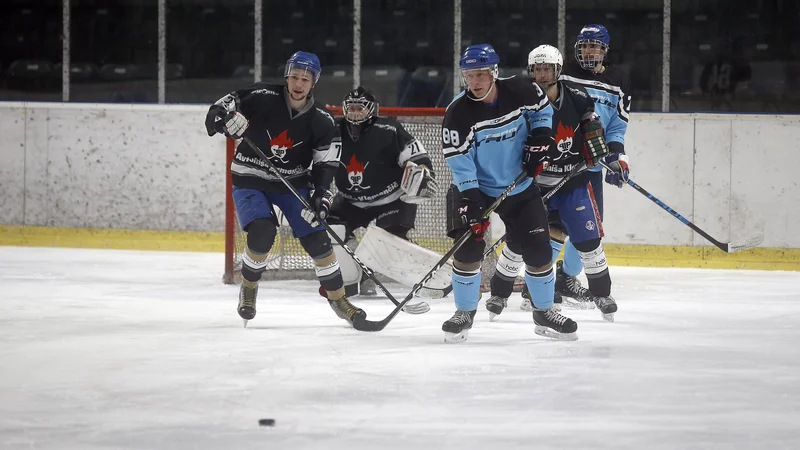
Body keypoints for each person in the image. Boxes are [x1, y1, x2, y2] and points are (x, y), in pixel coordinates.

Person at [440, 43, 597, 343]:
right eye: (469, 75)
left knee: (539, 250)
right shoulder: (457, 113)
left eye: (481, 74)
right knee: (468, 249)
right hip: (476, 189)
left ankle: (544, 312)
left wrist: (540, 139)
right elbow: (460, 164)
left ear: (494, 73)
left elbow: (541, 115)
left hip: (520, 185)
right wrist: (471, 202)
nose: (475, 81)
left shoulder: (522, 90)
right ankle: (464, 312)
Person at [204, 51, 365, 327]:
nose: (298, 84)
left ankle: (339, 300)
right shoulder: (260, 95)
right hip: (250, 176)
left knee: (318, 240)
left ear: (314, 82)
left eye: (305, 78)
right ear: (286, 77)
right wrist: (223, 120)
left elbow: (326, 166)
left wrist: (321, 197)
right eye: (294, 77)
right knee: (262, 231)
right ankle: (249, 289)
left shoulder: (322, 120)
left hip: (292, 183)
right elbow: (214, 115)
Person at [484, 45, 618, 322]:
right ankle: (499, 292)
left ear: (558, 70)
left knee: (588, 239)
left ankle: (602, 293)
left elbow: (592, 127)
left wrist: (595, 145)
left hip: (572, 182)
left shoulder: (579, 99)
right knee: (519, 242)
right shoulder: (522, 103)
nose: (542, 74)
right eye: (537, 69)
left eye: (547, 68)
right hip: (533, 187)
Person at [539, 24, 631, 308]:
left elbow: (616, 125)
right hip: (560, 163)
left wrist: (617, 156)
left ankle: (564, 279)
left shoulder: (618, 81)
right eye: (585, 46)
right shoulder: (563, 75)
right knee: (554, 223)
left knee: (589, 228)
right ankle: (545, 282)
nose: (590, 51)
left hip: (591, 166)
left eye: (595, 46)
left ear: (605, 50)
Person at [326, 86, 438, 296]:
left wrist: (421, 172)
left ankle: (376, 271)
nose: (355, 113)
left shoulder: (390, 130)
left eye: (360, 108)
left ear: (372, 110)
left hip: (392, 200)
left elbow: (419, 159)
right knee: (331, 229)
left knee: (388, 241)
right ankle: (351, 277)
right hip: (350, 201)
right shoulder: (334, 131)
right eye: (351, 109)